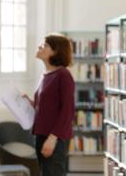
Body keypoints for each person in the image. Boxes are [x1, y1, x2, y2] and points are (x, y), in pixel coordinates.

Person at [24, 34, 75, 176]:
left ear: (56, 51)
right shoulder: (46, 75)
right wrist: (30, 103)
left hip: (53, 138)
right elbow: (47, 107)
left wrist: (52, 139)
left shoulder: (63, 75)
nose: (40, 47)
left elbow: (67, 111)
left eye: (45, 45)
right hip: (41, 135)